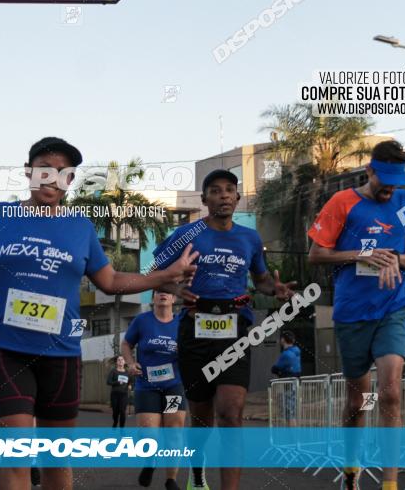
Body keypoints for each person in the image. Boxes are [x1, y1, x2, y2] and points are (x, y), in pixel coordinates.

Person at [0, 136, 197, 490]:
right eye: (44, 170)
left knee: (56, 459)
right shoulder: (0, 216)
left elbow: (110, 280)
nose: (52, 179)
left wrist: (164, 276)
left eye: (63, 173)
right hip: (6, 349)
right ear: (29, 172)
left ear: (70, 182)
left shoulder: (79, 228)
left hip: (60, 352)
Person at [153, 169, 296, 490]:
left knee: (231, 414)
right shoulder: (186, 235)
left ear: (237, 197)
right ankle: (198, 470)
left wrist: (275, 288)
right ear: (204, 200)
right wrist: (175, 291)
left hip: (236, 328)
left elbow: (259, 279)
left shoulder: (250, 238)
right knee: (201, 418)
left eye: (230, 190)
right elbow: (156, 270)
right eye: (215, 191)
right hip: (195, 327)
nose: (224, 196)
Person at [307, 140, 405, 490]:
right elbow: (316, 254)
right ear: (369, 170)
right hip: (353, 313)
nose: (389, 188)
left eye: (395, 180)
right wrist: (362, 254)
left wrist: (395, 259)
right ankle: (351, 470)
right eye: (383, 179)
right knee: (358, 401)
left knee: (389, 392)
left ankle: (389, 485)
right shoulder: (341, 202)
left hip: (394, 306)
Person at [122, 290, 187, 490]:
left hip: (173, 385)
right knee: (149, 434)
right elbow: (126, 344)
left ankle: (171, 480)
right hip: (146, 385)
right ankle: (150, 462)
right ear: (153, 298)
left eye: (168, 292)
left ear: (174, 298)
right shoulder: (142, 321)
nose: (163, 294)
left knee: (174, 433)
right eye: (159, 292)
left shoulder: (181, 324)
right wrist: (131, 363)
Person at [271, 331, 301, 427]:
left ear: (283, 340)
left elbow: (275, 368)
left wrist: (279, 372)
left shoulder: (286, 354)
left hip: (287, 384)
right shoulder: (296, 351)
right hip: (294, 383)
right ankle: (294, 437)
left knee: (288, 412)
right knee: (292, 410)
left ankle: (292, 438)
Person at [106, 355, 132, 428]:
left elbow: (130, 381)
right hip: (115, 394)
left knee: (122, 412)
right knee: (115, 412)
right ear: (117, 362)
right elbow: (108, 382)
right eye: (119, 360)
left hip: (124, 394)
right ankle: (115, 421)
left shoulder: (127, 372)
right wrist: (117, 382)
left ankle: (122, 428)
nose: (120, 361)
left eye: (122, 360)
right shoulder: (113, 371)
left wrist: (130, 385)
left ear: (124, 362)